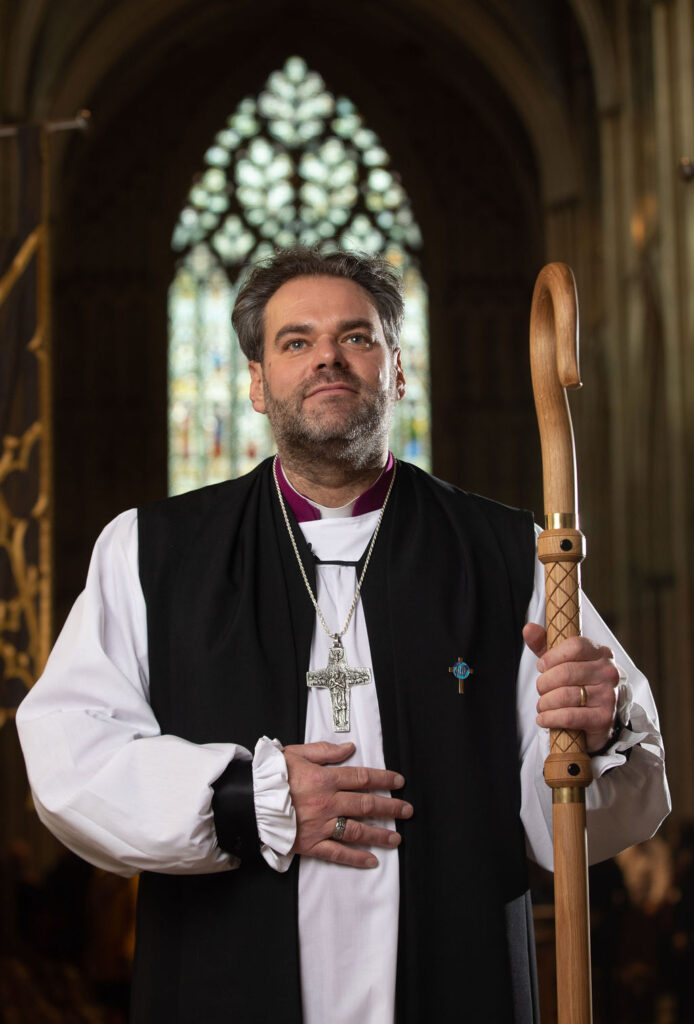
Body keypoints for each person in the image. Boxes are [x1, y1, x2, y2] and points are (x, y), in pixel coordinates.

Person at [17, 248, 670, 1023]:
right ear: (257, 383)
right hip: (222, 986)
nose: (327, 355)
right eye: (296, 341)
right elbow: (68, 761)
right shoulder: (150, 553)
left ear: (398, 370)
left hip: (456, 988)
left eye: (356, 337)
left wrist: (594, 734)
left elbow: (584, 818)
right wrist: (240, 801)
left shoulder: (511, 555)